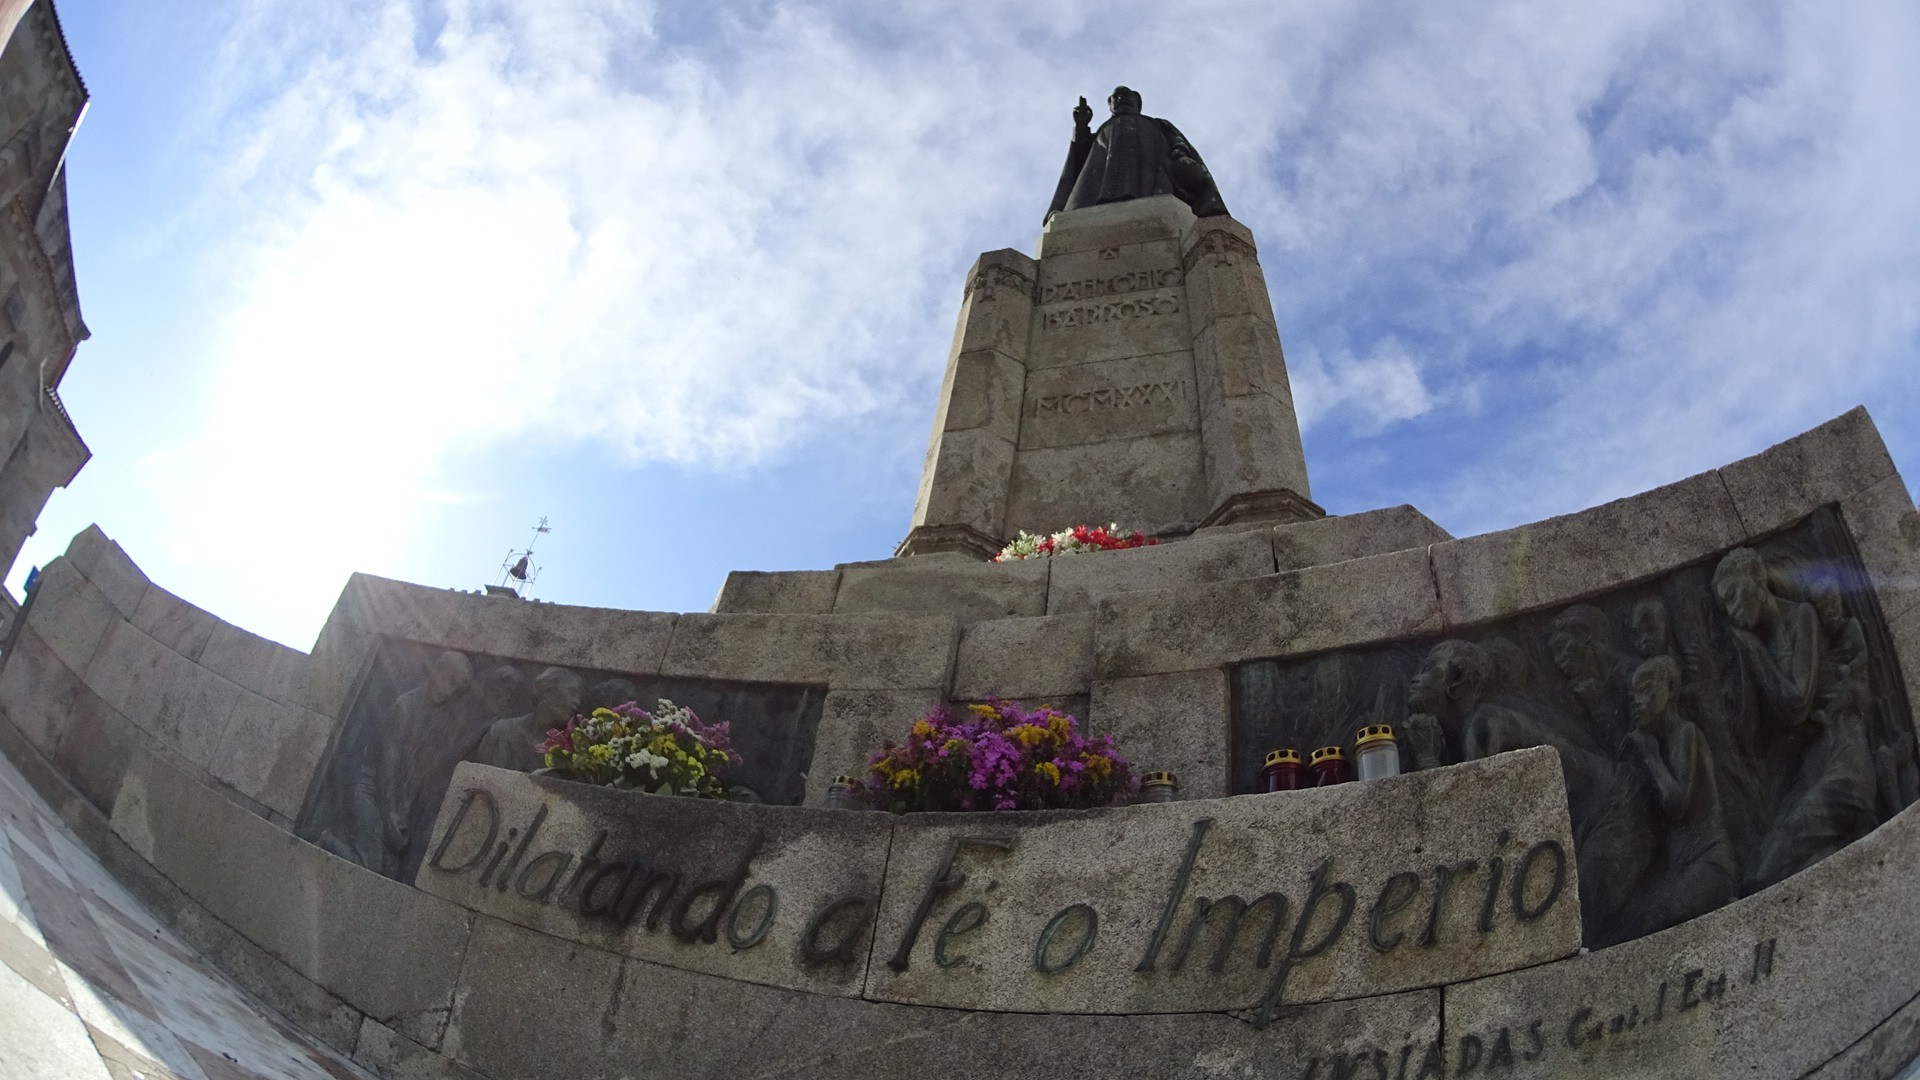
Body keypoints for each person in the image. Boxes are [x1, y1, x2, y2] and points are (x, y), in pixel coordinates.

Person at [1045, 87, 1228, 221]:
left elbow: (1177, 142)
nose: (1121, 98)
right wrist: (1081, 126)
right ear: (1110, 105)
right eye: (1116, 97)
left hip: (1152, 177)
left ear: (1138, 102)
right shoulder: (1104, 129)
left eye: (1127, 95)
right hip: (1100, 183)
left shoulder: (1157, 124)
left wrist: (1181, 155)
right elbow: (1081, 158)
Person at [470, 666, 584, 773]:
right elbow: (483, 779)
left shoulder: (565, 751)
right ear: (547, 690)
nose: (577, 702)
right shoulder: (503, 731)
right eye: (572, 692)